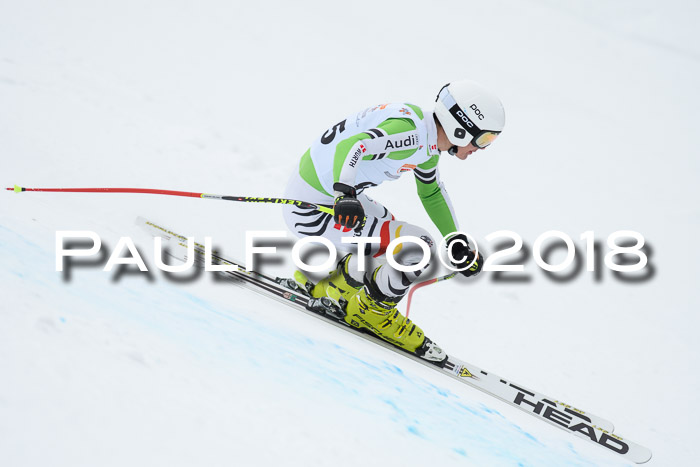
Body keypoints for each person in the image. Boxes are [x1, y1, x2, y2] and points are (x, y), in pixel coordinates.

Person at [282, 80, 505, 365]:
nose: (482, 148)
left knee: (389, 229)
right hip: (313, 211)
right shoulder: (411, 135)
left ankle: (330, 282)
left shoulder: (425, 136)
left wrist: (454, 239)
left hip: (319, 197)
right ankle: (372, 312)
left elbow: (431, 191)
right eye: (484, 139)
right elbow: (354, 146)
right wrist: (345, 193)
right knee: (417, 246)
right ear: (460, 127)